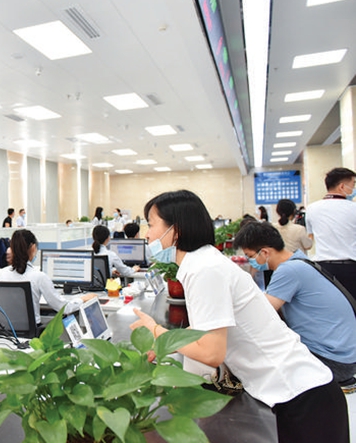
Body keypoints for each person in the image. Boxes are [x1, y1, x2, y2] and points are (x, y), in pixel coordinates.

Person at [130, 190, 348, 443]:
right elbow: (207, 327)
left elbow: (212, 352)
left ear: (175, 231)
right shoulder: (203, 264)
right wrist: (167, 343)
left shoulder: (204, 270)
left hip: (304, 396)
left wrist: (156, 331)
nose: (147, 234)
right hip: (299, 393)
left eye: (151, 224)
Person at [233, 222, 356, 394]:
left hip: (332, 362)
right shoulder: (300, 260)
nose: (251, 262)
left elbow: (262, 313)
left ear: (265, 252)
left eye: (250, 256)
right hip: (345, 357)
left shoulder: (288, 270)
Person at [0, 229, 96, 325]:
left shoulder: (1, 273)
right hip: (32, 333)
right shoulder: (39, 276)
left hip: (4, 330)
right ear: (33, 248)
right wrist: (82, 299)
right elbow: (64, 308)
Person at [306, 167, 356, 300]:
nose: (354, 189)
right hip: (351, 268)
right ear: (342, 186)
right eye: (353, 184)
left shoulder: (311, 208)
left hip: (323, 268)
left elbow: (310, 237)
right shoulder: (354, 208)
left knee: (331, 304)